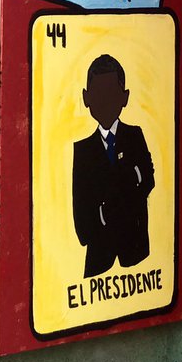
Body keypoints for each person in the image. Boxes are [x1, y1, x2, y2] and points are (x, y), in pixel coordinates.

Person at [72, 54, 155, 278]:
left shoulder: (134, 136)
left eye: (112, 94)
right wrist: (102, 215)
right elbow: (80, 207)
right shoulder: (83, 150)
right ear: (86, 98)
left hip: (135, 251)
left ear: (124, 97)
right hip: (100, 256)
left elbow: (147, 178)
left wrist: (126, 190)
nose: (105, 101)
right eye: (98, 94)